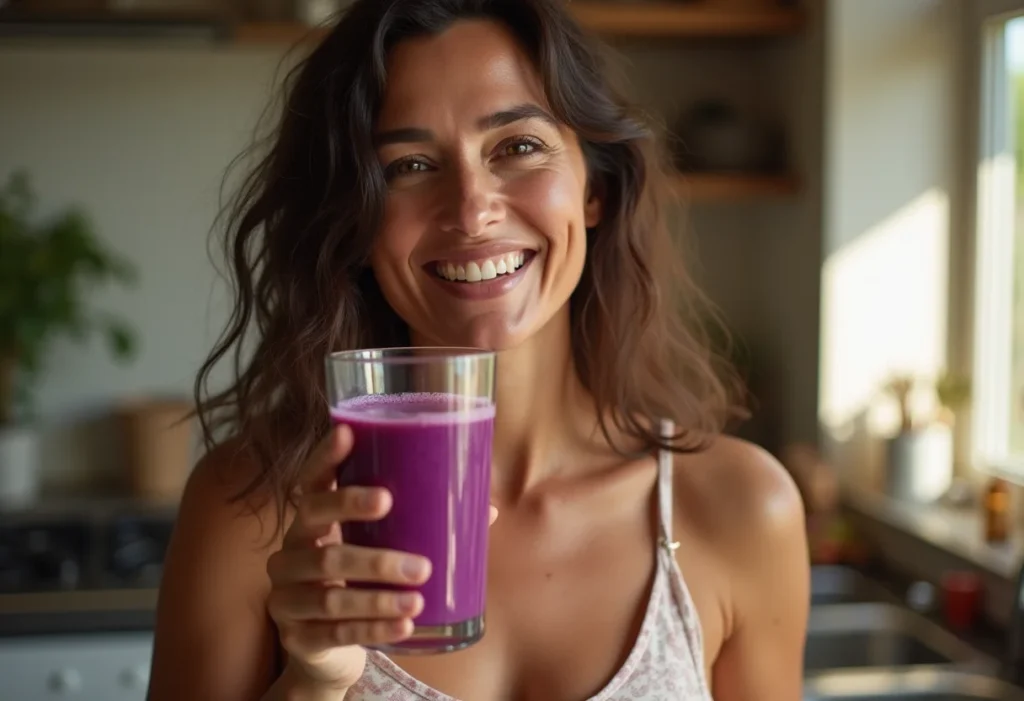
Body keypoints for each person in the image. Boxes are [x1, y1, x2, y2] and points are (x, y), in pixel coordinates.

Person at [147, 0, 810, 699]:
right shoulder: (250, 515)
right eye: (409, 165)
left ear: (594, 187)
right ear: (355, 224)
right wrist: (313, 681)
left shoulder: (743, 508)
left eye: (517, 147)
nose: (470, 210)